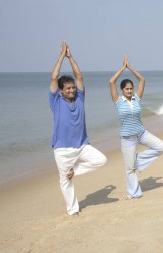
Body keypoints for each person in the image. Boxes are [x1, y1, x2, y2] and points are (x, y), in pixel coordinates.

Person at [49, 42, 107, 215]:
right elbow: (53, 78)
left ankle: (76, 171)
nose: (72, 90)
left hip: (82, 146)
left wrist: (70, 57)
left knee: (101, 160)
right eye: (68, 88)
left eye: (73, 87)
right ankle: (73, 210)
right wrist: (61, 57)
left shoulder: (80, 98)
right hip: (62, 150)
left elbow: (79, 76)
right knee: (64, 181)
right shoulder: (55, 101)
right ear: (61, 91)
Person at [109, 55, 163, 199]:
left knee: (161, 147)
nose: (129, 91)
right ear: (122, 90)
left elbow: (142, 80)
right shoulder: (118, 101)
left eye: (131, 88)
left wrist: (130, 67)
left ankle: (137, 161)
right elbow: (111, 81)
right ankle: (134, 193)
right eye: (127, 89)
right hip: (127, 138)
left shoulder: (136, 98)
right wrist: (123, 67)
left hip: (141, 133)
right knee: (130, 169)